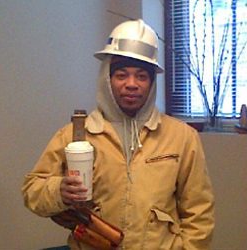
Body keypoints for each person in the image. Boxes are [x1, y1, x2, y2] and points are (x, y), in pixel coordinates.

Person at [21, 19, 215, 250]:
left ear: (152, 83)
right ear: (107, 79)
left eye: (141, 76)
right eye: (121, 75)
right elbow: (32, 191)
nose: (131, 84)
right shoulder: (76, 136)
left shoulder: (182, 137)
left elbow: (199, 212)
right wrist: (58, 191)